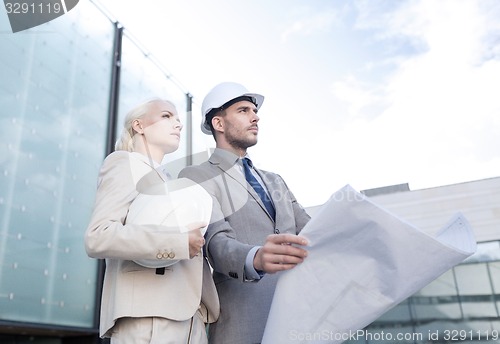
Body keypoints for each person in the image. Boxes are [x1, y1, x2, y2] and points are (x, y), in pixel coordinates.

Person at [179, 82, 310, 344]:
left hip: (297, 318)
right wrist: (257, 257)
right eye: (243, 110)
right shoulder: (196, 176)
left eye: (254, 110)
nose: (255, 116)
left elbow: (308, 230)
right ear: (218, 123)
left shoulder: (276, 181)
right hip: (243, 320)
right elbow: (215, 242)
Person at [85, 98, 219, 343]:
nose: (178, 124)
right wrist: (177, 243)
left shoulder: (168, 179)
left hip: (189, 319)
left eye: (178, 119)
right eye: (167, 116)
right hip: (149, 320)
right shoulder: (124, 162)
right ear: (139, 125)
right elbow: (99, 236)